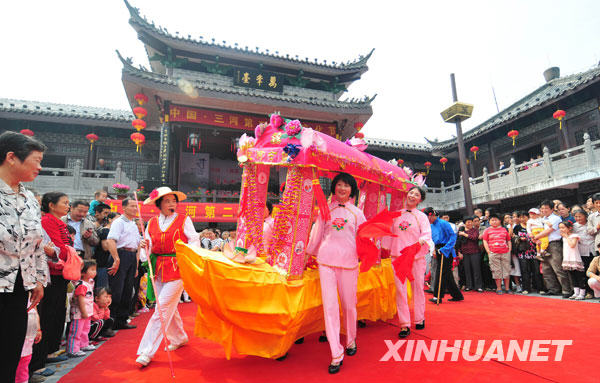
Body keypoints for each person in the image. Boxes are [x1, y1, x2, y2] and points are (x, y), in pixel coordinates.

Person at [306, 173, 365, 374]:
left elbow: (365, 238)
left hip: (349, 262)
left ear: (352, 191)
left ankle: (350, 340)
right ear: (333, 188)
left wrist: (368, 254)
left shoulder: (358, 214)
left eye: (346, 186)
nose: (342, 189)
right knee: (330, 307)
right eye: (339, 185)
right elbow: (317, 233)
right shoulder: (325, 210)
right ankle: (336, 353)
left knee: (349, 305)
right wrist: (308, 253)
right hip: (326, 261)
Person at [0, 132, 48, 382]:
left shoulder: (29, 198)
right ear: (11, 157)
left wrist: (38, 278)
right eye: (36, 160)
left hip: (19, 286)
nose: (40, 167)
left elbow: (36, 243)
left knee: (10, 350)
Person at [136, 187, 200, 367]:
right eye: (167, 201)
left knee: (161, 310)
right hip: (157, 269)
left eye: (174, 201)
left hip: (177, 268)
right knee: (168, 307)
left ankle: (146, 351)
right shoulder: (152, 222)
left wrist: (186, 257)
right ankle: (179, 337)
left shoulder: (184, 220)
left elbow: (194, 240)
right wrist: (143, 246)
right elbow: (148, 246)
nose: (172, 204)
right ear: (159, 204)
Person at [390, 186, 432, 339]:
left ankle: (419, 318)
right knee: (400, 291)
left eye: (417, 194)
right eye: (411, 193)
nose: (413, 196)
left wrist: (420, 242)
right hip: (398, 258)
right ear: (406, 195)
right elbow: (390, 234)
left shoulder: (421, 217)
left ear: (420, 200)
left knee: (418, 288)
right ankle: (404, 324)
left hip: (415, 258)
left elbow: (427, 234)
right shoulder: (396, 215)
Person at [106, 198, 142, 330]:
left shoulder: (133, 224)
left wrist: (136, 265)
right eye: (132, 206)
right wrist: (116, 259)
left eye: (136, 206)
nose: (135, 209)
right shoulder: (119, 222)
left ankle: (122, 320)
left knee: (128, 291)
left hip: (132, 257)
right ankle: (110, 322)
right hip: (120, 255)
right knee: (116, 290)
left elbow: (136, 245)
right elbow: (110, 241)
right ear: (124, 208)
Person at [533, 200, 572, 297]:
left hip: (554, 244)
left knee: (558, 267)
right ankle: (553, 289)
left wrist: (536, 237)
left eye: (546, 208)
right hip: (543, 245)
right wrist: (535, 238)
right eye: (542, 208)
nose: (544, 210)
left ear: (551, 209)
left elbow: (549, 230)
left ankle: (566, 290)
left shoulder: (555, 218)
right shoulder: (541, 219)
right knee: (546, 269)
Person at [427, 208, 463, 304]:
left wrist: (445, 249)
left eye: (429, 217)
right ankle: (457, 295)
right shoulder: (431, 225)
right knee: (447, 274)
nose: (428, 219)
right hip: (438, 248)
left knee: (441, 272)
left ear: (433, 215)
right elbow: (431, 239)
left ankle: (437, 296)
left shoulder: (444, 223)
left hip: (446, 249)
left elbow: (453, 236)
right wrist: (434, 250)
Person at [67, 260, 97, 357]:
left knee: (85, 329)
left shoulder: (90, 282)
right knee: (76, 331)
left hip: (86, 312)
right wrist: (84, 311)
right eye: (91, 270)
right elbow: (80, 298)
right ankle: (73, 349)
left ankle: (83, 344)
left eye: (95, 270)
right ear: (83, 272)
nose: (94, 272)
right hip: (79, 312)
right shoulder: (81, 284)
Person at [482, 211, 512, 294]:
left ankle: (507, 288)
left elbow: (508, 240)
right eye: (492, 220)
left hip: (505, 252)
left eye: (496, 220)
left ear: (499, 221)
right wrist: (488, 251)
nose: (494, 222)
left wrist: (509, 250)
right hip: (493, 253)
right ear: (489, 221)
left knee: (506, 270)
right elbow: (485, 241)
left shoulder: (504, 229)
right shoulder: (487, 230)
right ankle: (498, 288)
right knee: (496, 270)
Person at [513, 211, 541, 294]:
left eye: (524, 217)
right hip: (523, 252)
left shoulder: (533, 224)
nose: (522, 219)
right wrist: (519, 238)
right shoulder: (517, 227)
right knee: (525, 270)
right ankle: (526, 288)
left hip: (534, 251)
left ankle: (539, 288)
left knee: (536, 270)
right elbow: (514, 238)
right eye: (520, 217)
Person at [558, 221, 585, 300]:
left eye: (563, 227)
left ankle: (582, 293)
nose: (561, 229)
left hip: (574, 258)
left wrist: (566, 236)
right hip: (567, 258)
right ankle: (576, 292)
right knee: (572, 277)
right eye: (560, 228)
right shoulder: (563, 237)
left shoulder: (574, 236)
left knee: (579, 276)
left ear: (570, 228)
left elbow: (572, 245)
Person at [16, 300, 42, 383]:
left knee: (25, 360)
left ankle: (24, 380)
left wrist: (38, 329)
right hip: (15, 332)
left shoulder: (31, 294)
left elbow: (35, 310)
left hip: (29, 334)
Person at [573, 209, 595, 298]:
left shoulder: (590, 224)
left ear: (585, 216)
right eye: (576, 217)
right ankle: (588, 292)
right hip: (582, 252)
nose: (578, 218)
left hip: (593, 250)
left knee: (595, 271)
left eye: (580, 216)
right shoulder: (574, 226)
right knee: (585, 272)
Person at [94, 212, 120, 289]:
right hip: (103, 265)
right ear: (110, 219)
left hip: (110, 265)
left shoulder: (114, 232)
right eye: (117, 219)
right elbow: (105, 247)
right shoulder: (105, 231)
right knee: (103, 289)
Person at [458, 216, 483, 292]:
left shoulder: (475, 230)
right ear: (464, 223)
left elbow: (475, 238)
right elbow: (458, 243)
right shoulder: (460, 231)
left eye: (471, 222)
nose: (469, 223)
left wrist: (465, 234)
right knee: (467, 270)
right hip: (465, 253)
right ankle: (469, 285)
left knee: (476, 270)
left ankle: (478, 286)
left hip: (475, 252)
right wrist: (459, 252)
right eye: (468, 222)